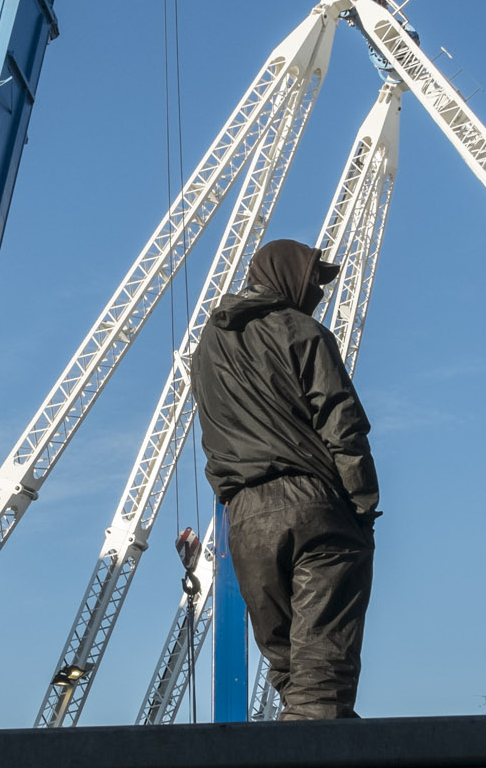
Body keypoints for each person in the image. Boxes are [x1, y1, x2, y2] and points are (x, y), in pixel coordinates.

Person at [190, 238, 380, 720]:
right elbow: (342, 422)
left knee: (293, 671)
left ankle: (307, 742)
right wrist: (361, 504)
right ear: (288, 275)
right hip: (314, 506)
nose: (318, 291)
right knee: (321, 675)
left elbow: (214, 434)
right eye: (314, 279)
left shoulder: (206, 349)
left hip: (247, 521)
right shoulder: (302, 331)